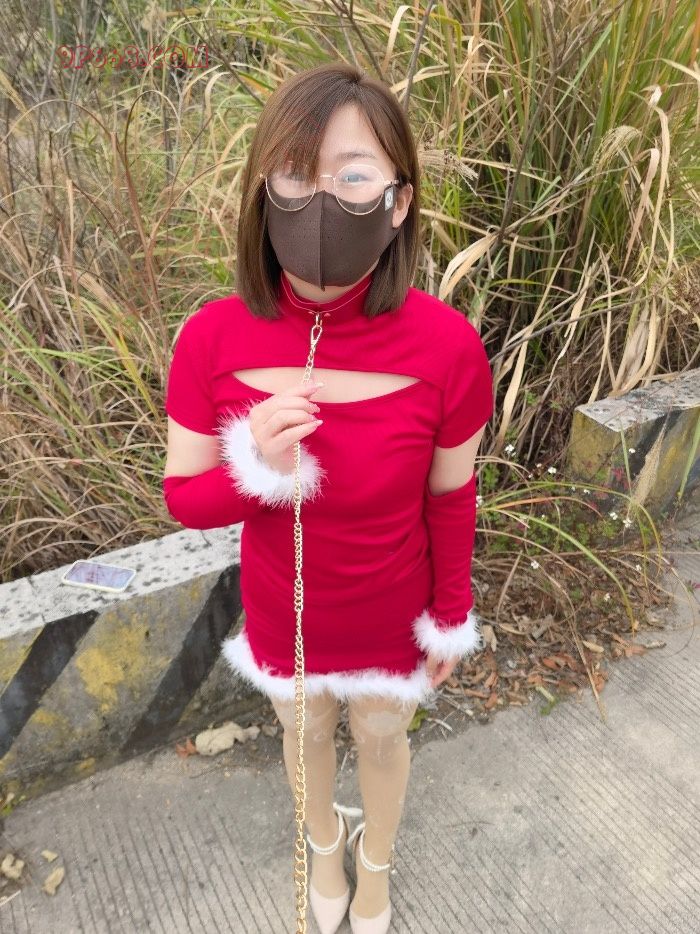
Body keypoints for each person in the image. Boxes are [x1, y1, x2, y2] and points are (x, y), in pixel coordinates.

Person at [162, 62, 494, 934]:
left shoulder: (448, 348)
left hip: (393, 607)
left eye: (351, 176)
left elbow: (451, 497)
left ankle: (375, 862)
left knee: (383, 737)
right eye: (294, 175)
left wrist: (449, 612)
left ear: (399, 200)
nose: (319, 202)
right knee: (302, 732)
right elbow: (185, 500)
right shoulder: (210, 338)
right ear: (262, 190)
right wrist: (256, 465)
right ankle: (323, 845)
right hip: (285, 608)